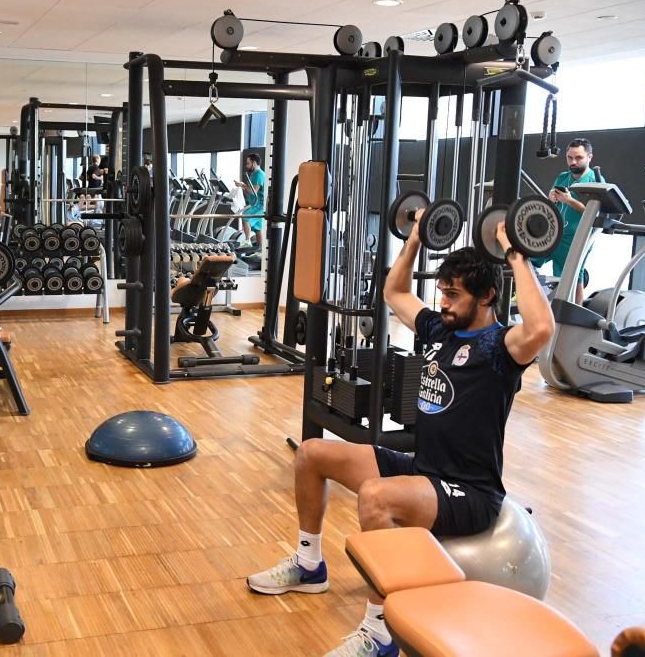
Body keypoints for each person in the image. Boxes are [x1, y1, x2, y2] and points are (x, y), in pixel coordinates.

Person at [246, 215, 555, 657]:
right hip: (423, 468)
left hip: (468, 489)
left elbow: (542, 328)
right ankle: (310, 564)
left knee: (376, 497)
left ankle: (381, 633)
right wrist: (414, 238)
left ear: (487, 296)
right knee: (313, 454)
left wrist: (514, 252)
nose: (443, 303)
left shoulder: (500, 348)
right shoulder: (438, 330)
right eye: (442, 292)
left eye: (454, 294)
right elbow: (394, 292)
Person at [532, 137, 600, 304]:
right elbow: (552, 203)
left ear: (589, 157)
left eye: (578, 158)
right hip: (555, 233)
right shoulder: (563, 177)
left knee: (574, 277)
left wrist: (569, 201)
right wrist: (552, 199)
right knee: (526, 259)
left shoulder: (596, 181)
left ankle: (575, 317)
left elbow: (595, 215)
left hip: (577, 237)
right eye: (569, 158)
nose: (573, 162)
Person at [235, 153, 265, 247]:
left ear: (254, 163)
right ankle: (260, 251)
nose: (246, 165)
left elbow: (254, 191)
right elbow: (250, 191)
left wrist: (242, 185)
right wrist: (243, 186)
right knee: (258, 229)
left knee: (245, 217)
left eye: (248, 163)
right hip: (254, 203)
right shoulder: (254, 174)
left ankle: (247, 241)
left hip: (258, 205)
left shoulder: (259, 174)